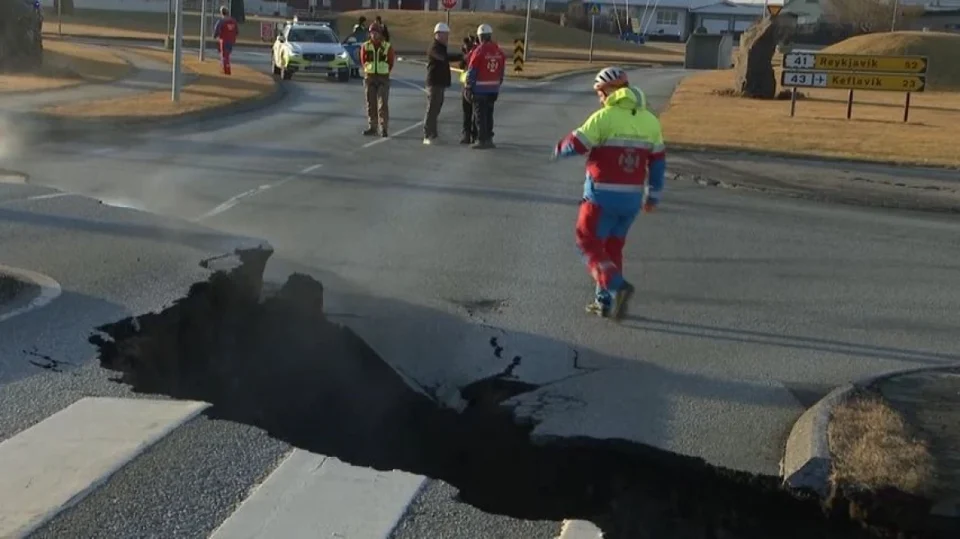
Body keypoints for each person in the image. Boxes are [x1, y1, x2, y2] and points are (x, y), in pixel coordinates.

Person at [551, 67, 666, 320]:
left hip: (601, 196)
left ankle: (617, 287)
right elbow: (657, 163)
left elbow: (577, 144)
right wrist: (653, 196)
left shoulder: (604, 117)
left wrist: (559, 148)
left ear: (610, 91)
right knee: (612, 248)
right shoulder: (650, 120)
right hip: (632, 200)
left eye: (600, 93)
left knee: (587, 243)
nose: (599, 98)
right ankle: (604, 301)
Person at [464, 24, 505, 150]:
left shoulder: (479, 51)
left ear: (480, 37)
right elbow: (501, 70)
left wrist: (468, 86)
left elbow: (472, 70)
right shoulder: (498, 51)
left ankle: (482, 140)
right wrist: (498, 83)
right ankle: (489, 138)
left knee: (480, 115)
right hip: (493, 89)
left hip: (480, 89)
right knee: (489, 114)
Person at [360, 23, 396, 138]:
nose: (374, 35)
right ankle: (372, 127)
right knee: (371, 103)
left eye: (376, 33)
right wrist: (368, 70)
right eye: (372, 33)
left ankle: (383, 128)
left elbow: (391, 62)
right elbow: (363, 60)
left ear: (380, 34)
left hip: (383, 78)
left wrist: (384, 71)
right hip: (370, 77)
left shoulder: (387, 46)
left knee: (382, 104)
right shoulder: (365, 46)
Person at [423, 23, 452, 145]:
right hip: (434, 83)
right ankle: (427, 135)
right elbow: (442, 58)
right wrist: (460, 57)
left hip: (440, 83)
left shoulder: (441, 47)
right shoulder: (434, 47)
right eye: (445, 35)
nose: (447, 38)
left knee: (436, 109)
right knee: (432, 109)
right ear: (438, 34)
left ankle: (433, 134)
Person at [458, 36, 478, 144]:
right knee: (470, 112)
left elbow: (462, 64)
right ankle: (471, 135)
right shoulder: (474, 52)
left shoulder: (473, 53)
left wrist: (465, 54)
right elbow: (461, 65)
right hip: (470, 85)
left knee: (470, 112)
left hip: (470, 86)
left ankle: (469, 135)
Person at [212, 6, 239, 75]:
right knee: (227, 54)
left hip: (224, 39)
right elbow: (237, 31)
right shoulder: (233, 21)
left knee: (224, 55)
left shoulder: (221, 21)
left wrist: (214, 36)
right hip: (231, 40)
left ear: (221, 13)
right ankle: (225, 68)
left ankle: (226, 69)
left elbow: (216, 30)